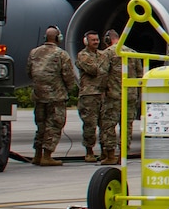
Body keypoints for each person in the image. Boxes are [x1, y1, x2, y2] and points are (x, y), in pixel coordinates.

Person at [28, 26, 80, 166]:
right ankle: (47, 155)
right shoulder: (61, 54)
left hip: (39, 96)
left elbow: (29, 72)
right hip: (56, 96)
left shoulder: (34, 52)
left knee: (41, 125)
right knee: (54, 125)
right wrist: (69, 89)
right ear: (58, 38)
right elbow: (68, 76)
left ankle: (37, 155)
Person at [74, 30, 109, 162]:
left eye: (97, 40)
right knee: (90, 124)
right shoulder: (83, 55)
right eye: (93, 40)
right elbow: (93, 70)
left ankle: (105, 150)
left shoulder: (101, 54)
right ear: (86, 42)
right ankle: (89, 151)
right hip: (89, 95)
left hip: (102, 94)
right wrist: (103, 66)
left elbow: (107, 71)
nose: (96, 42)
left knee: (104, 124)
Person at [99, 29, 123, 164]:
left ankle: (110, 155)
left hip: (112, 95)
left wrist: (102, 90)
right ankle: (123, 155)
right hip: (129, 97)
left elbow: (102, 74)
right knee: (127, 127)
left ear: (107, 40)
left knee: (109, 125)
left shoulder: (107, 53)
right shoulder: (131, 52)